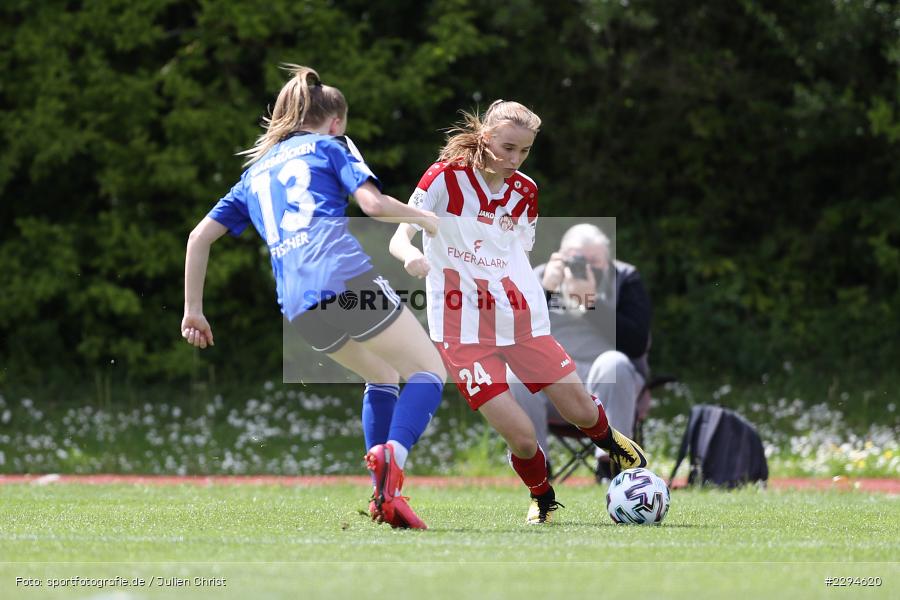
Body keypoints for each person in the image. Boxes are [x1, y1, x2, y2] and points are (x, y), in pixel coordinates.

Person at [181, 64, 447, 529]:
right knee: (429, 371)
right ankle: (393, 457)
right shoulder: (332, 145)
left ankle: (381, 494)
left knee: (382, 375)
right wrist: (428, 222)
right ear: (336, 121)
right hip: (346, 280)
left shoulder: (254, 173)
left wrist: (193, 311)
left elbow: (198, 238)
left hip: (298, 305)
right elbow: (375, 205)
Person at [390, 100, 647, 525]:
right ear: (486, 137)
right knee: (523, 438)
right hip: (460, 329)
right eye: (508, 148)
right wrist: (409, 258)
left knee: (581, 412)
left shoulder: (525, 191)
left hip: (520, 319)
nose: (514, 159)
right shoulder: (444, 178)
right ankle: (542, 495)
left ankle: (613, 442)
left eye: (524, 151)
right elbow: (400, 236)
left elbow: (515, 255)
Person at [508, 223, 652, 480]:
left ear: (606, 260)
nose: (582, 267)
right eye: (574, 259)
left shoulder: (624, 278)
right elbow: (512, 335)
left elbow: (636, 343)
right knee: (516, 373)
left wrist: (590, 303)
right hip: (553, 384)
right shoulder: (538, 277)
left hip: (607, 383)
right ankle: (537, 471)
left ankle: (610, 466)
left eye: (592, 261)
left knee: (614, 363)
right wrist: (545, 291)